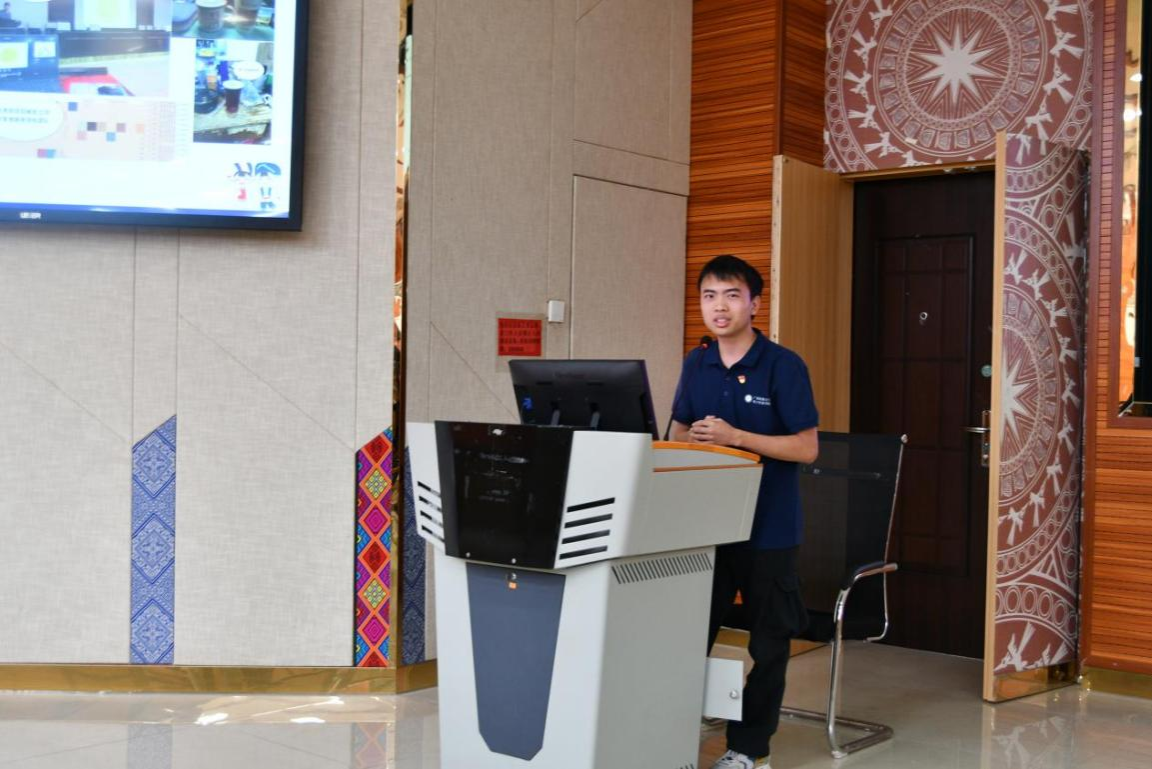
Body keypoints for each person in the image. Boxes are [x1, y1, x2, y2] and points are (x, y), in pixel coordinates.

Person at [670, 254, 818, 769]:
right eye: (709, 296)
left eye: (732, 295)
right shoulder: (696, 363)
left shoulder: (783, 365)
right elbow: (676, 432)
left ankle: (749, 749)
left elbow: (806, 448)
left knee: (769, 645)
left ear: (754, 304)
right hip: (706, 527)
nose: (719, 306)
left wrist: (737, 437)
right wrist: (692, 440)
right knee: (686, 637)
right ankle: (670, 732)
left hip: (768, 529)